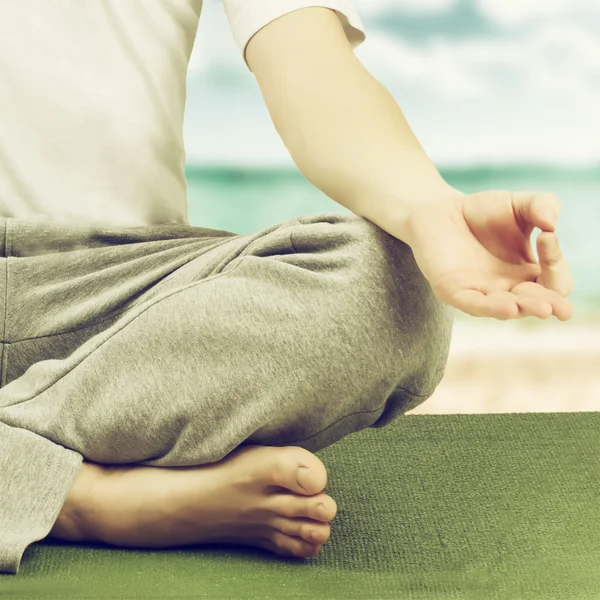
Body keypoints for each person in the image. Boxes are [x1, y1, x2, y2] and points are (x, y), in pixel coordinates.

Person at [0, 1, 573, 575]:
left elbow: (311, 64)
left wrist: (429, 209)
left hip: (121, 284)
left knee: (395, 291)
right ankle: (75, 495)